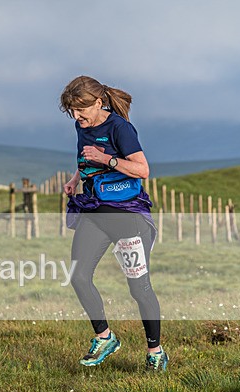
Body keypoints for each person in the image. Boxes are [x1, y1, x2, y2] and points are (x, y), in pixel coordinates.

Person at [59, 75, 168, 371]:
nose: (76, 116)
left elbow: (142, 169)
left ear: (98, 102)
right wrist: (75, 179)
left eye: (81, 109)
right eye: (71, 110)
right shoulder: (80, 125)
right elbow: (85, 158)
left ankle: (155, 352)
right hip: (95, 211)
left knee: (139, 289)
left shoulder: (120, 128)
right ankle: (105, 337)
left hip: (127, 216)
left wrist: (106, 159)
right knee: (78, 275)